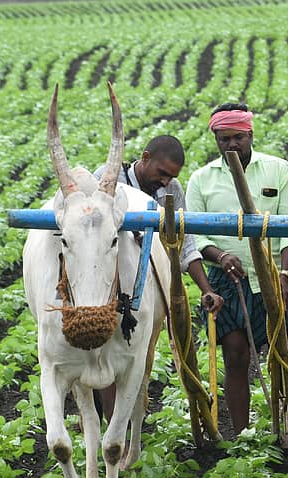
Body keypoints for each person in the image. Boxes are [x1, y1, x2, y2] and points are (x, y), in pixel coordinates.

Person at [185, 103, 288, 435]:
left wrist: (284, 274)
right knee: (236, 356)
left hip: (273, 274)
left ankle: (286, 426)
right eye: (224, 139)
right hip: (228, 279)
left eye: (237, 138)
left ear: (250, 135)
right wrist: (221, 255)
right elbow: (195, 234)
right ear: (216, 139)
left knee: (286, 356)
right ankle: (240, 435)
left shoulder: (277, 170)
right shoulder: (202, 180)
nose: (231, 145)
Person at [91, 135, 223, 422]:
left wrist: (206, 288)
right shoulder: (107, 178)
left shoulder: (171, 191)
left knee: (138, 358)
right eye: (161, 173)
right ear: (145, 157)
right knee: (105, 358)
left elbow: (186, 244)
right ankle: (116, 429)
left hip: (149, 288)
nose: (165, 182)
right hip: (108, 286)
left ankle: (125, 424)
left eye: (171, 177)